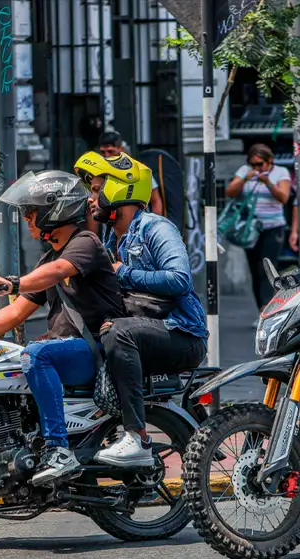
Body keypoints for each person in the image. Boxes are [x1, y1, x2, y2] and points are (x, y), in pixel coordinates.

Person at [0, 170, 125, 486]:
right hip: (68, 350)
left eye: (31, 214)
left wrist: (12, 282)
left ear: (53, 212)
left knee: (36, 354)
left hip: (95, 350)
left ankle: (59, 449)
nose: (27, 221)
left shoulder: (85, 243)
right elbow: (16, 313)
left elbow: (58, 272)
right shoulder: (50, 257)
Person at [74, 151, 208, 467]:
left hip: (182, 333)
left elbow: (179, 279)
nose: (91, 199)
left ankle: (137, 437)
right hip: (147, 330)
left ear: (122, 188)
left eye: (96, 189)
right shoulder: (109, 237)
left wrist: (123, 272)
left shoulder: (155, 228)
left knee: (118, 333)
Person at [226, 143, 292, 319]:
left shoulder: (281, 172)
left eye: (260, 165)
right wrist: (245, 178)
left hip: (273, 227)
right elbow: (230, 191)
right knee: (255, 270)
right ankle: (261, 310)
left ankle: (266, 309)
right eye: (253, 164)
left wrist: (268, 182)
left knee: (267, 268)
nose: (256, 168)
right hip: (251, 230)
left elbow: (284, 197)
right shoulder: (245, 171)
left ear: (269, 161)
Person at [88, 132, 162, 237]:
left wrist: (154, 230)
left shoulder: (137, 171)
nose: (107, 156)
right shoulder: (99, 176)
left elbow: (155, 200)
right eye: (103, 152)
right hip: (111, 234)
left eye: (110, 151)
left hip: (138, 233)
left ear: (121, 149)